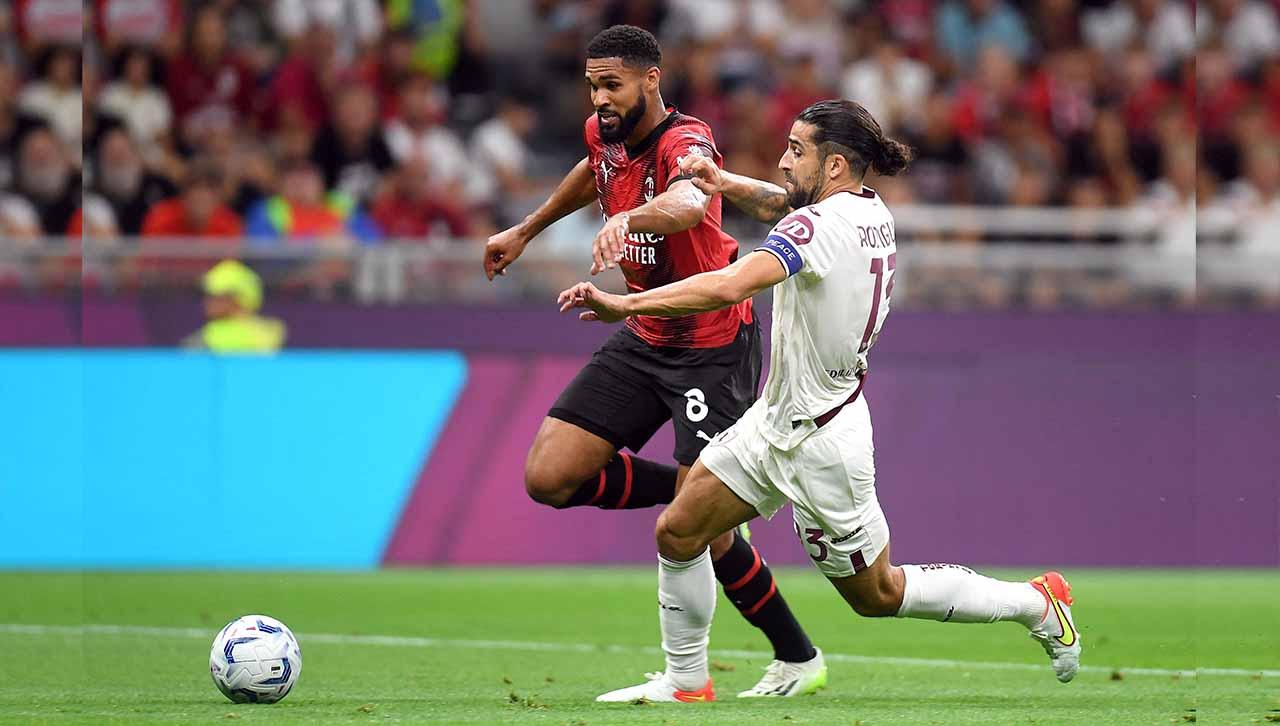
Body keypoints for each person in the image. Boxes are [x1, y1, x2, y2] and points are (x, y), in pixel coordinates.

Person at [559, 99, 1081, 703]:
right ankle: (685, 681)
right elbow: (787, 206)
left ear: (834, 165)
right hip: (774, 422)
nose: (783, 162)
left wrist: (624, 304)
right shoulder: (868, 211)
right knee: (678, 531)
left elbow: (730, 283)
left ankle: (1036, 603)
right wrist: (725, 182)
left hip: (824, 441)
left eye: (796, 151)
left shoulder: (815, 229)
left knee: (877, 595)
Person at [482, 25, 826, 699]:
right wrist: (526, 229)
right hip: (645, 332)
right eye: (591, 85)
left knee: (710, 537)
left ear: (650, 80)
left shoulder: (686, 140)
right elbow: (595, 170)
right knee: (550, 475)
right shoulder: (602, 132)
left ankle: (795, 656)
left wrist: (631, 219)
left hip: (711, 339)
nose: (599, 99)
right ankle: (694, 490)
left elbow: (688, 201)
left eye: (611, 84)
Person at [183, 259, 286, 354]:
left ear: (240, 298)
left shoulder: (274, 333)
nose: (209, 301)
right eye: (209, 295)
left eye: (218, 296)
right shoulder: (202, 338)